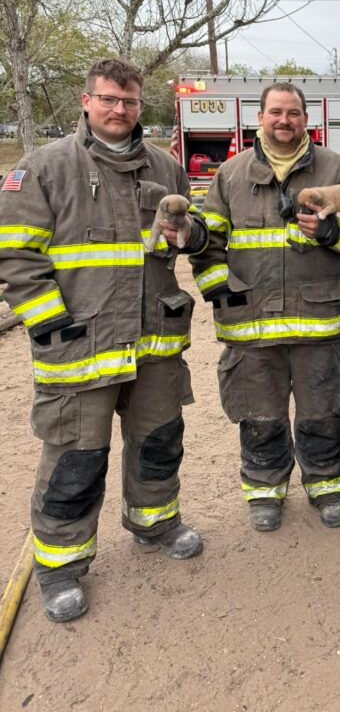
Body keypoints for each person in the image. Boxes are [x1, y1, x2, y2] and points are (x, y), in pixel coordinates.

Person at [0, 58, 207, 624]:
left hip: (155, 345)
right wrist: (50, 326)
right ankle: (61, 566)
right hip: (79, 345)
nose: (120, 110)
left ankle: (154, 523)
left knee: (159, 442)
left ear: (142, 106)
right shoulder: (45, 168)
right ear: (86, 103)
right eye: (110, 99)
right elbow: (16, 256)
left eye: (131, 101)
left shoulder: (166, 167)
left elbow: (200, 234)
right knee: (75, 460)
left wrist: (188, 234)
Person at [189, 83, 340, 532]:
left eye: (293, 113)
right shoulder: (231, 175)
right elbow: (207, 243)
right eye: (276, 112)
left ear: (305, 118)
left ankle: (327, 484)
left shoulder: (335, 168)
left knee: (323, 411)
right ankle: (264, 490)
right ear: (260, 117)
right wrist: (222, 295)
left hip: (316, 322)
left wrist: (333, 235)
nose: (284, 121)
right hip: (250, 325)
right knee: (259, 414)